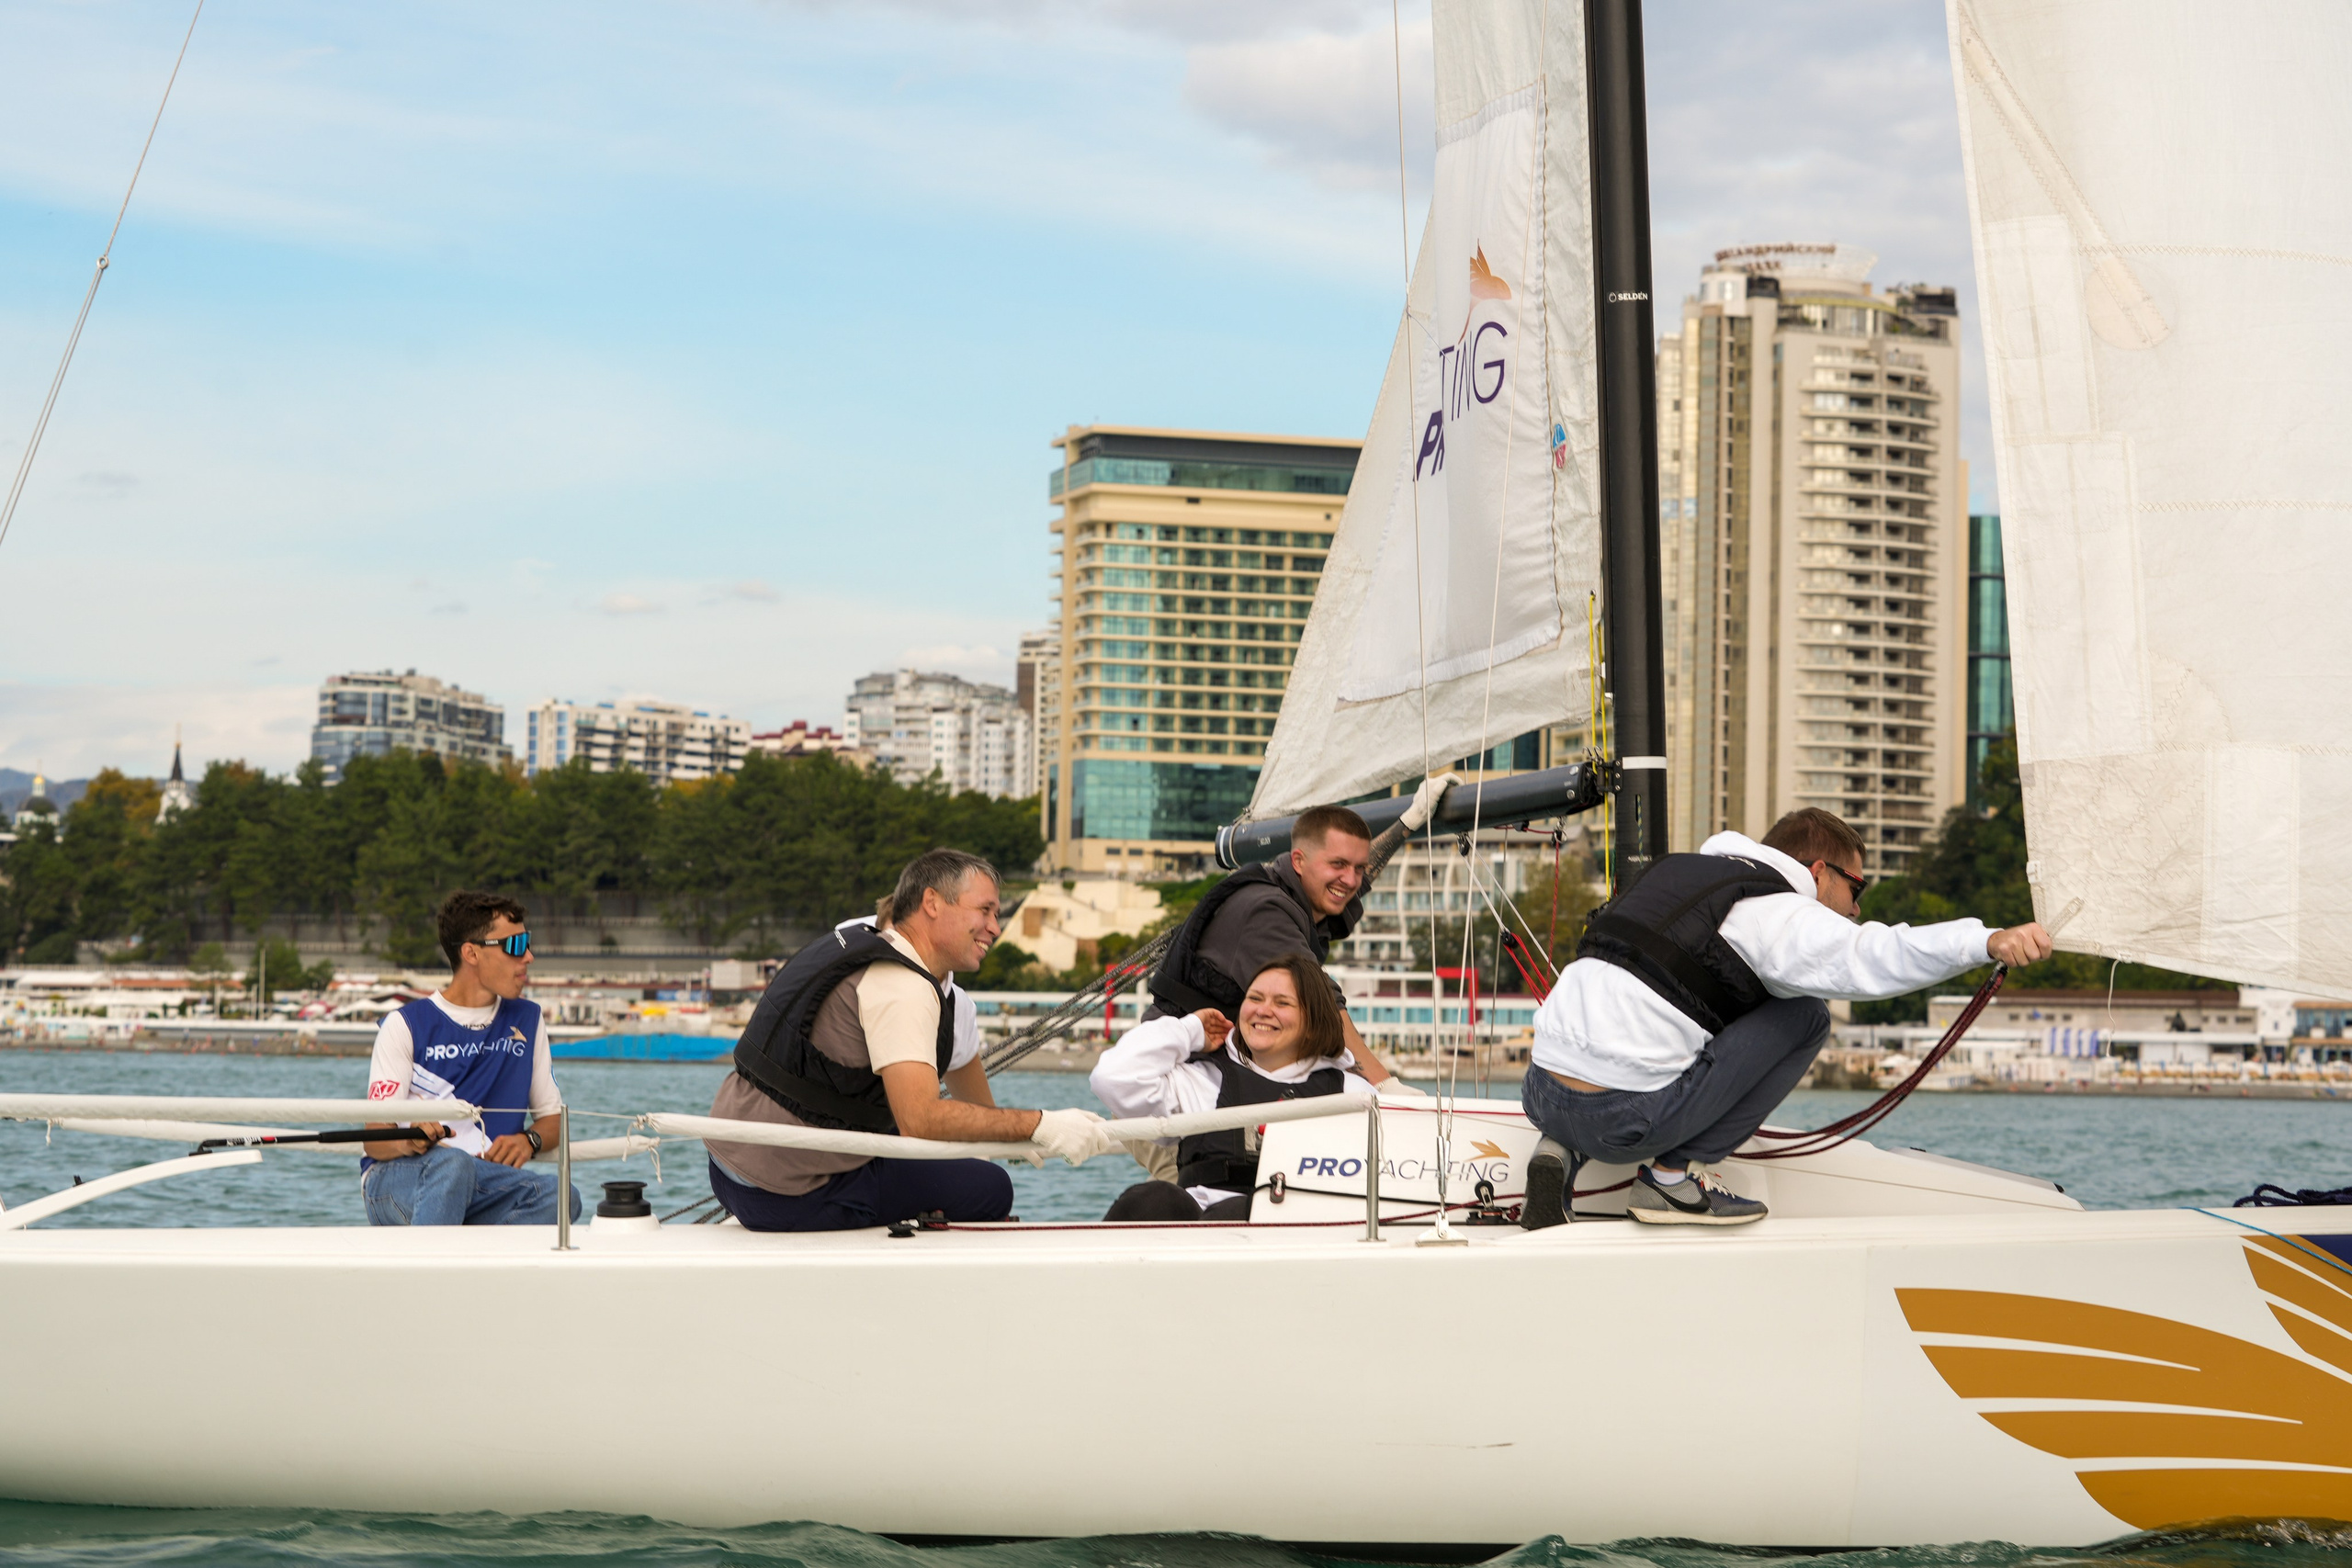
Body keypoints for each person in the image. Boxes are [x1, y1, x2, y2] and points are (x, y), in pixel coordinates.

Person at [1520, 807, 2052, 1228]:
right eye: (1856, 888)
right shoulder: (1778, 913)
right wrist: (1985, 941)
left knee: (1695, 1003)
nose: (1856, 909)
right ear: (1819, 872)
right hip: (1621, 1121)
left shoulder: (1675, 872)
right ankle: (1670, 1179)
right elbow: (1874, 955)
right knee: (1805, 1015)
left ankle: (1560, 1148)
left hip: (1539, 1093)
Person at [705, 848, 1116, 1232]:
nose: (995, 927)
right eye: (985, 910)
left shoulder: (861, 944)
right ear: (932, 902)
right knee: (991, 1187)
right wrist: (1042, 1124)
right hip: (787, 1195)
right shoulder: (904, 987)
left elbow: (972, 1107)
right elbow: (919, 1119)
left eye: (997, 914)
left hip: (727, 1171)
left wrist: (1018, 1134)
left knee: (944, 1162)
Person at [1147, 775, 1461, 1087]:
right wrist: (1384, 1088)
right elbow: (1320, 1001)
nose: (1350, 880)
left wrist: (1409, 822)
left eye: (1358, 868)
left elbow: (1357, 880)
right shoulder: (1265, 913)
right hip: (1176, 1074)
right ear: (1299, 862)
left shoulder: (1296, 896)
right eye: (1337, 865)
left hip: (1220, 1065)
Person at [1093, 952, 1385, 1221]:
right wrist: (1189, 1030)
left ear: (1314, 1021)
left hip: (1301, 1235)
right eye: (1255, 998)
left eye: (1282, 1003)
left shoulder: (1353, 1095)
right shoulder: (1202, 1080)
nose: (1263, 1010)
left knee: (1239, 1210)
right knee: (1152, 1199)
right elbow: (1112, 1078)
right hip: (1203, 1235)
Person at [361, 891, 581, 1227]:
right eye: (516, 945)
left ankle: (455, 1242)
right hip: (399, 1176)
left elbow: (552, 1121)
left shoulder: (529, 1019)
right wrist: (409, 1140)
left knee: (563, 1197)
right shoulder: (404, 1024)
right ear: (471, 953)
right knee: (453, 1166)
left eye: (528, 943)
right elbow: (375, 1140)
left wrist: (529, 1141)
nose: (529, 956)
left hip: (484, 1181)